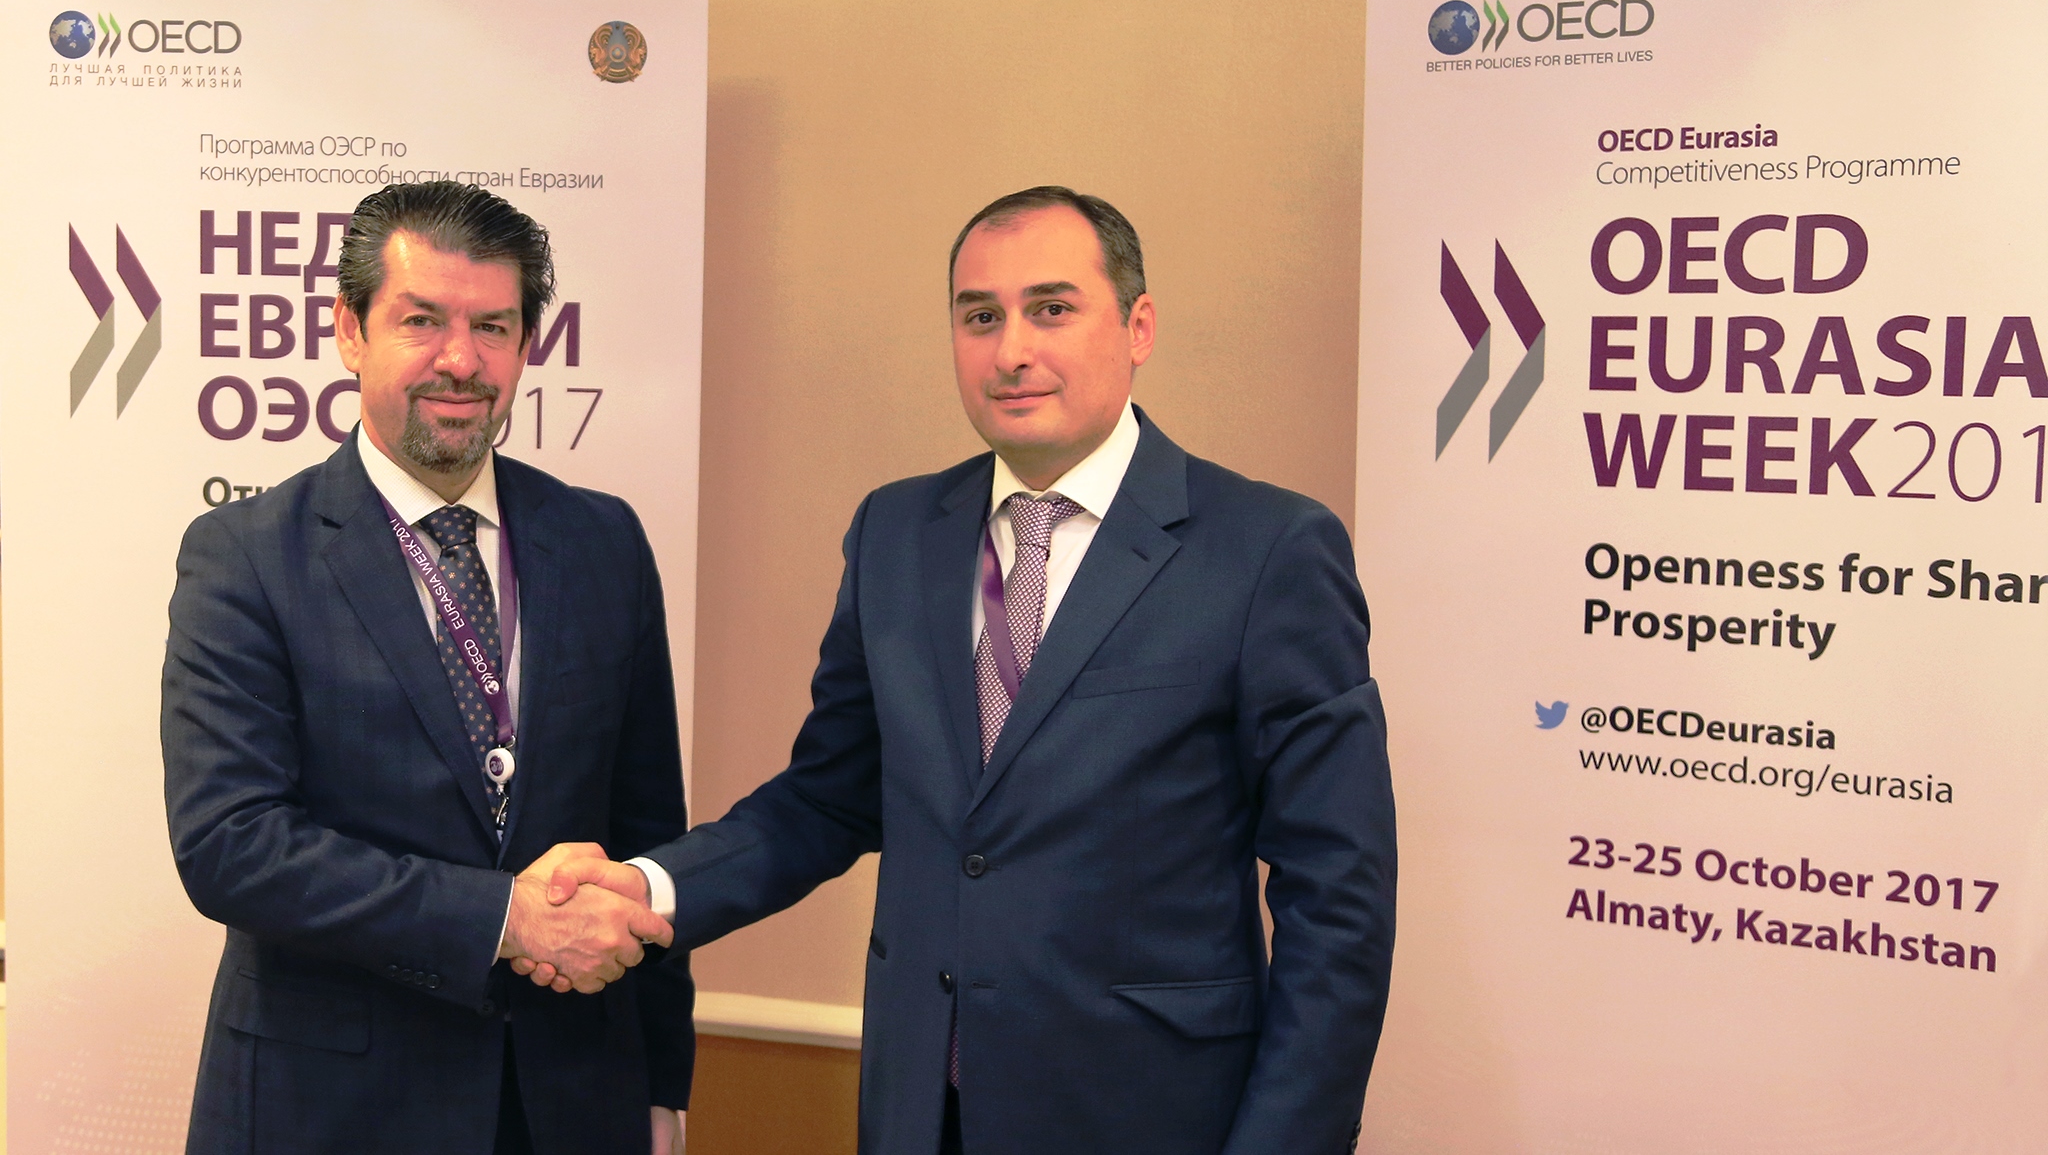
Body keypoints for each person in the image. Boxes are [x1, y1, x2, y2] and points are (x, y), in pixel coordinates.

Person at [526, 186, 1397, 1154]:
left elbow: (1337, 896)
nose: (1010, 350)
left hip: (1149, 1115)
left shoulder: (1266, 549)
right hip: (919, 1112)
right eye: (980, 316)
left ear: (1138, 326)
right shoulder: (896, 532)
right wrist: (648, 888)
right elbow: (828, 798)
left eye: (1051, 309)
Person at [162, 181, 693, 1155]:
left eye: (493, 326)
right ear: (349, 331)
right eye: (422, 321)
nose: (461, 359)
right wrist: (503, 918)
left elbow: (648, 832)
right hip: (330, 1109)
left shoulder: (603, 542)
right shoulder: (246, 555)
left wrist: (660, 1087)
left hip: (571, 1098)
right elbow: (232, 845)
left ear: (526, 343)